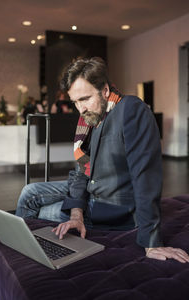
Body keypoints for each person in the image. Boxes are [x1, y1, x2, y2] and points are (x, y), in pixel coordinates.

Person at [16, 57, 189, 263]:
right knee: (29, 192)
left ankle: (18, 259)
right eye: (75, 102)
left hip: (113, 208)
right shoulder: (93, 118)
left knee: (41, 210)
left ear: (105, 90)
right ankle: (15, 252)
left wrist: (152, 243)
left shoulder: (131, 110)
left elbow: (145, 176)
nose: (80, 109)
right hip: (93, 189)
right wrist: (76, 215)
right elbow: (81, 172)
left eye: (85, 98)